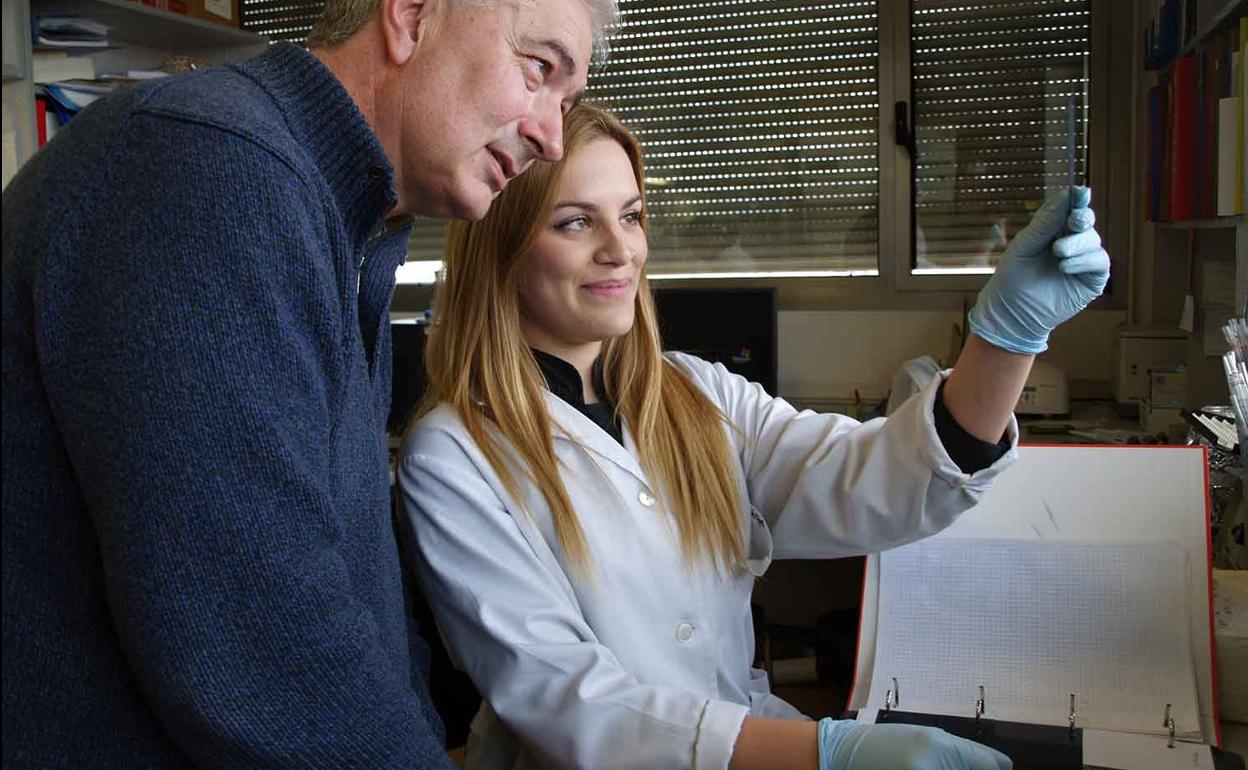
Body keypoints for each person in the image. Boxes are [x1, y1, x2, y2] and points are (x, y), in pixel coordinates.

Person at [397, 103, 1110, 770]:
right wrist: (828, 753)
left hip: (749, 738)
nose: (621, 250)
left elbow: (867, 478)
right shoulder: (454, 454)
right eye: (576, 223)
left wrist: (1009, 336)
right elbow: (560, 696)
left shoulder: (696, 392)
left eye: (633, 216)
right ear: (505, 249)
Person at [0, 0, 613, 766]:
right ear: (412, 15)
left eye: (568, 100)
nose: (551, 138)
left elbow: (357, 601)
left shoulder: (347, 218)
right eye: (538, 68)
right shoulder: (211, 166)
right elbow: (257, 643)